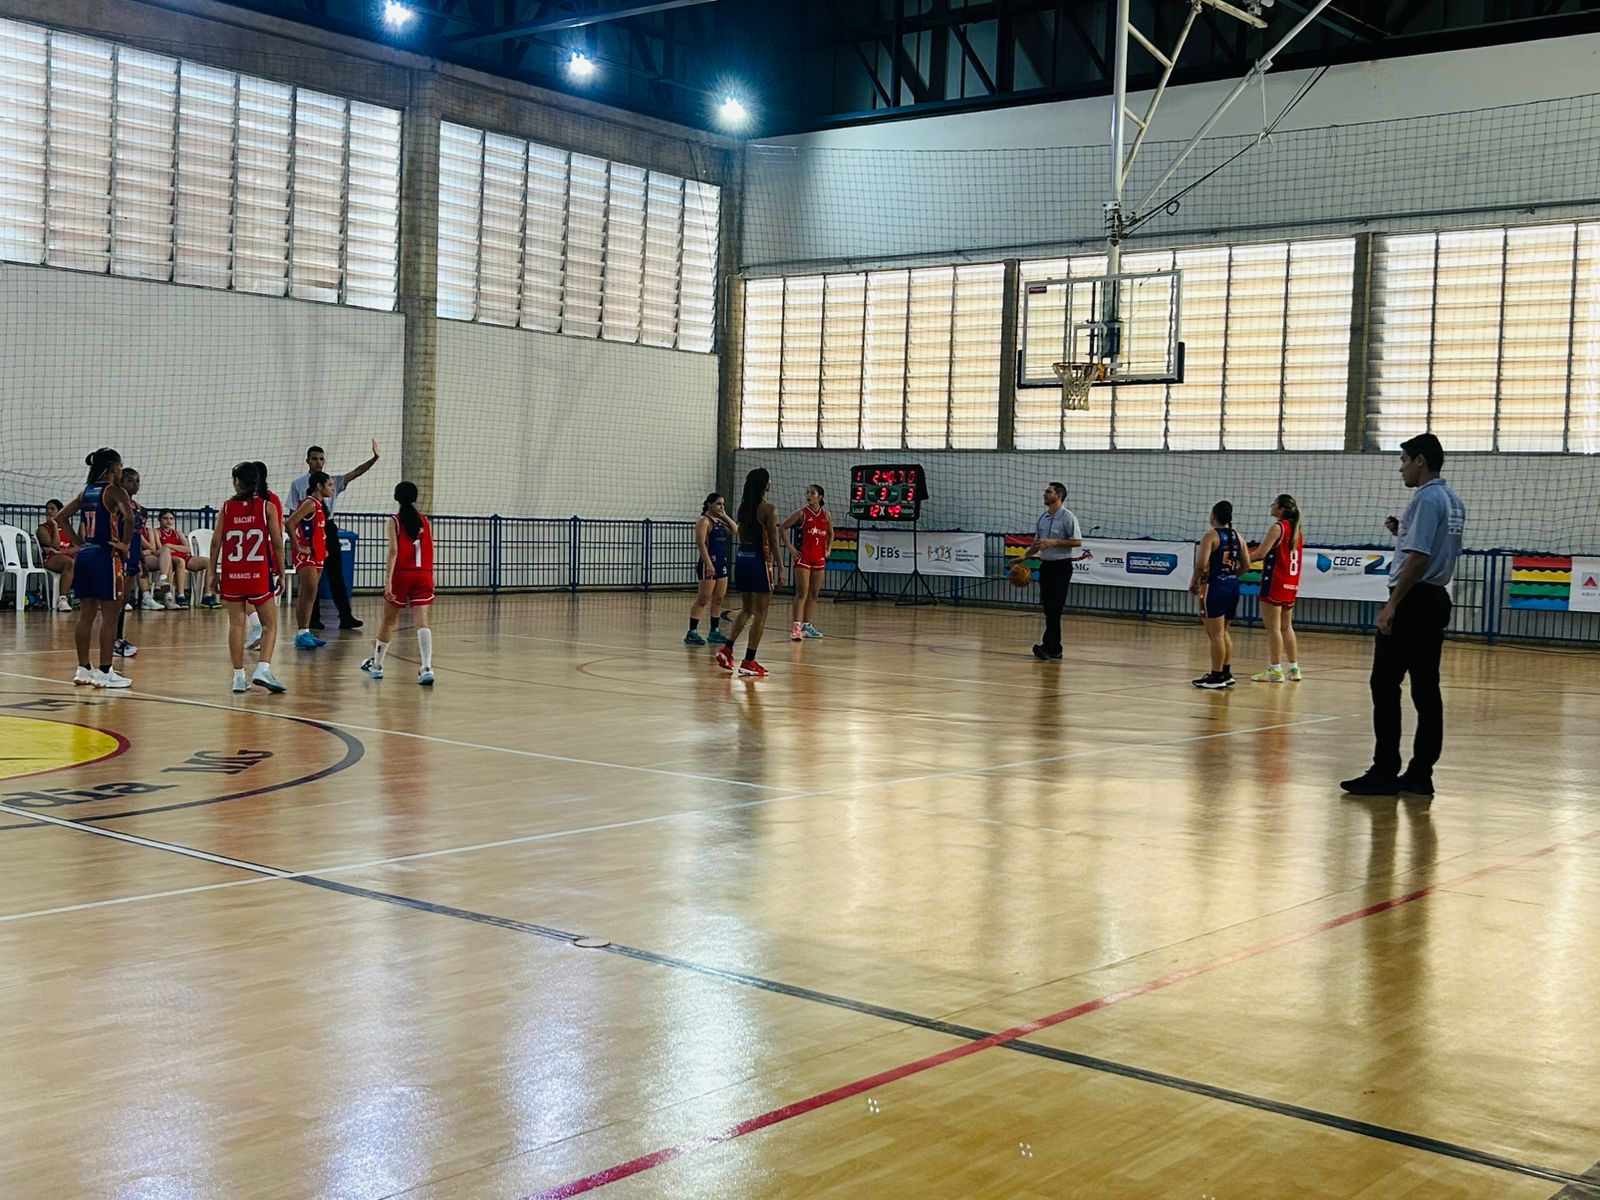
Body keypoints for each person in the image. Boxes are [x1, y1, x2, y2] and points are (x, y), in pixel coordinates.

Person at [1342, 434, 1467, 798]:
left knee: (1384, 683)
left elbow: (1419, 557)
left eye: (1404, 460)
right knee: (1426, 688)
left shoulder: (1426, 498)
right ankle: (1419, 773)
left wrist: (1393, 604)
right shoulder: (1453, 500)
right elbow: (1433, 545)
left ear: (1421, 461)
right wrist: (1403, 532)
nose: (1401, 467)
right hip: (1435, 598)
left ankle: (1384, 769)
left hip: (1413, 600)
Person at [48, 449, 134, 688]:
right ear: (113, 467)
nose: (121, 470)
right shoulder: (114, 491)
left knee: (85, 615)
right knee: (110, 616)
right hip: (106, 556)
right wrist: (125, 544)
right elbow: (129, 518)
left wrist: (79, 543)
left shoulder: (86, 491)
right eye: (120, 466)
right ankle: (106, 672)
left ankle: (83, 668)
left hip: (85, 557)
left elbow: (61, 518)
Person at [211, 461, 287, 694]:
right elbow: (277, 543)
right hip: (257, 573)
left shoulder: (226, 507)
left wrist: (212, 573)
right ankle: (263, 668)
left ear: (237, 482)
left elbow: (216, 542)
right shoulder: (267, 507)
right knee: (270, 624)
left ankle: (238, 676)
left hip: (233, 573)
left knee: (236, 624)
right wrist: (281, 573)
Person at [288, 441, 379, 631]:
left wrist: (374, 459)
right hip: (308, 531)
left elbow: (355, 472)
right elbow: (291, 517)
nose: (318, 462)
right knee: (311, 584)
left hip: (327, 528)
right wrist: (297, 543)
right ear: (308, 461)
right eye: (314, 459)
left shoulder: (333, 481)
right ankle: (311, 621)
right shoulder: (300, 487)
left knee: (336, 574)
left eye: (321, 459)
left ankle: (345, 616)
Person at [361, 481, 435, 685]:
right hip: (423, 573)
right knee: (422, 621)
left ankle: (376, 666)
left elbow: (393, 552)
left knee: (389, 620)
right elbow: (430, 548)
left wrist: (388, 582)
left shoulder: (394, 521)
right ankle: (426, 667)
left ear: (396, 497)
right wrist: (430, 574)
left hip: (402, 574)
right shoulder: (424, 521)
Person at [714, 468, 782, 678]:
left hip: (742, 559)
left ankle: (727, 648)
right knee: (761, 614)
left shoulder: (743, 508)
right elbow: (773, 540)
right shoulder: (769, 509)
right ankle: (749, 661)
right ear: (764, 485)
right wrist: (780, 566)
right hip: (760, 562)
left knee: (746, 609)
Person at [1023, 482, 1083, 660]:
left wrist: (1054, 543)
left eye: (1048, 492)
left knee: (1055, 608)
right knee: (1048, 608)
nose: (1044, 494)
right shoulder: (1043, 518)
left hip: (1061, 567)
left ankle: (1049, 646)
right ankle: (1055, 648)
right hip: (1046, 566)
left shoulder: (1068, 518)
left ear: (1058, 496)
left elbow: (1078, 542)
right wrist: (1023, 557)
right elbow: (1037, 544)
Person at [1189, 500, 1244, 689]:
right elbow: (1245, 565)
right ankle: (1226, 672)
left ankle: (1216, 675)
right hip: (1233, 586)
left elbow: (1202, 564)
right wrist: (1231, 576)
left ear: (1213, 516)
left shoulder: (1211, 536)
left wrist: (1194, 581)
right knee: (1224, 632)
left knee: (1215, 635)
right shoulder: (1238, 536)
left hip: (1214, 587)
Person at [1250, 494, 1304, 683]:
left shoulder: (1278, 528)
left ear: (1281, 510)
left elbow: (1260, 554)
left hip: (1274, 582)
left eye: (1274, 504)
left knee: (1273, 628)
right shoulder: (1297, 529)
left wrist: (1238, 561)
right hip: (1290, 583)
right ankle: (1294, 668)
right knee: (1286, 627)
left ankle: (1275, 669)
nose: (1271, 506)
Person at [287, 472, 334, 650]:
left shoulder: (320, 506)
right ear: (319, 486)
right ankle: (301, 633)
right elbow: (290, 523)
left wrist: (324, 549)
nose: (332, 488)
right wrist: (297, 546)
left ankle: (305, 632)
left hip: (317, 555)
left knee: (311, 595)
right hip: (305, 555)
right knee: (308, 592)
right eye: (329, 485)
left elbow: (317, 531)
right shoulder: (309, 503)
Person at [780, 484, 832, 641]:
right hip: (803, 557)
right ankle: (796, 627)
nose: (808, 495)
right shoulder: (801, 513)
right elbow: (782, 528)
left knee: (814, 593)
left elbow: (830, 533)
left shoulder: (826, 515)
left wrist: (828, 549)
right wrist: (789, 547)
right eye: (807, 493)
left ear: (820, 497)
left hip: (819, 558)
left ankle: (807, 626)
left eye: (812, 493)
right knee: (802, 592)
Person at [243, 462, 285, 651]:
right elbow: (279, 532)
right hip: (263, 554)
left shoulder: (247, 500)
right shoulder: (272, 499)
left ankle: (259, 628)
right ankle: (261, 631)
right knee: (260, 596)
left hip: (254, 555)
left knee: (246, 595)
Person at [685, 492, 736, 646]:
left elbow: (735, 530)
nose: (721, 507)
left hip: (721, 564)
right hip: (708, 564)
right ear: (709, 505)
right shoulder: (704, 521)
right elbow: (701, 544)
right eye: (718, 504)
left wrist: (725, 515)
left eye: (723, 504)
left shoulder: (720, 522)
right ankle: (692, 632)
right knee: (703, 598)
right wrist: (708, 564)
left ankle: (714, 631)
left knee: (719, 599)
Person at [149, 509, 209, 609]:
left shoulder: (178, 533)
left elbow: (188, 549)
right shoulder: (156, 532)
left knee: (208, 562)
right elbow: (161, 550)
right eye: (165, 518)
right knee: (180, 561)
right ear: (159, 520)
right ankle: (180, 595)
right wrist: (174, 548)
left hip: (184, 556)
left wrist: (169, 545)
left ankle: (207, 596)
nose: (168, 521)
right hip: (170, 558)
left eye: (171, 519)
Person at [37, 500, 76, 612]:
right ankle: (62, 600)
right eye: (47, 508)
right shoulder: (43, 529)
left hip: (67, 557)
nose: (49, 511)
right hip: (51, 558)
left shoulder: (67, 528)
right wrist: (54, 526)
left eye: (52, 509)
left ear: (60, 512)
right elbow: (56, 546)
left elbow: (75, 545)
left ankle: (95, 599)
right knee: (69, 563)